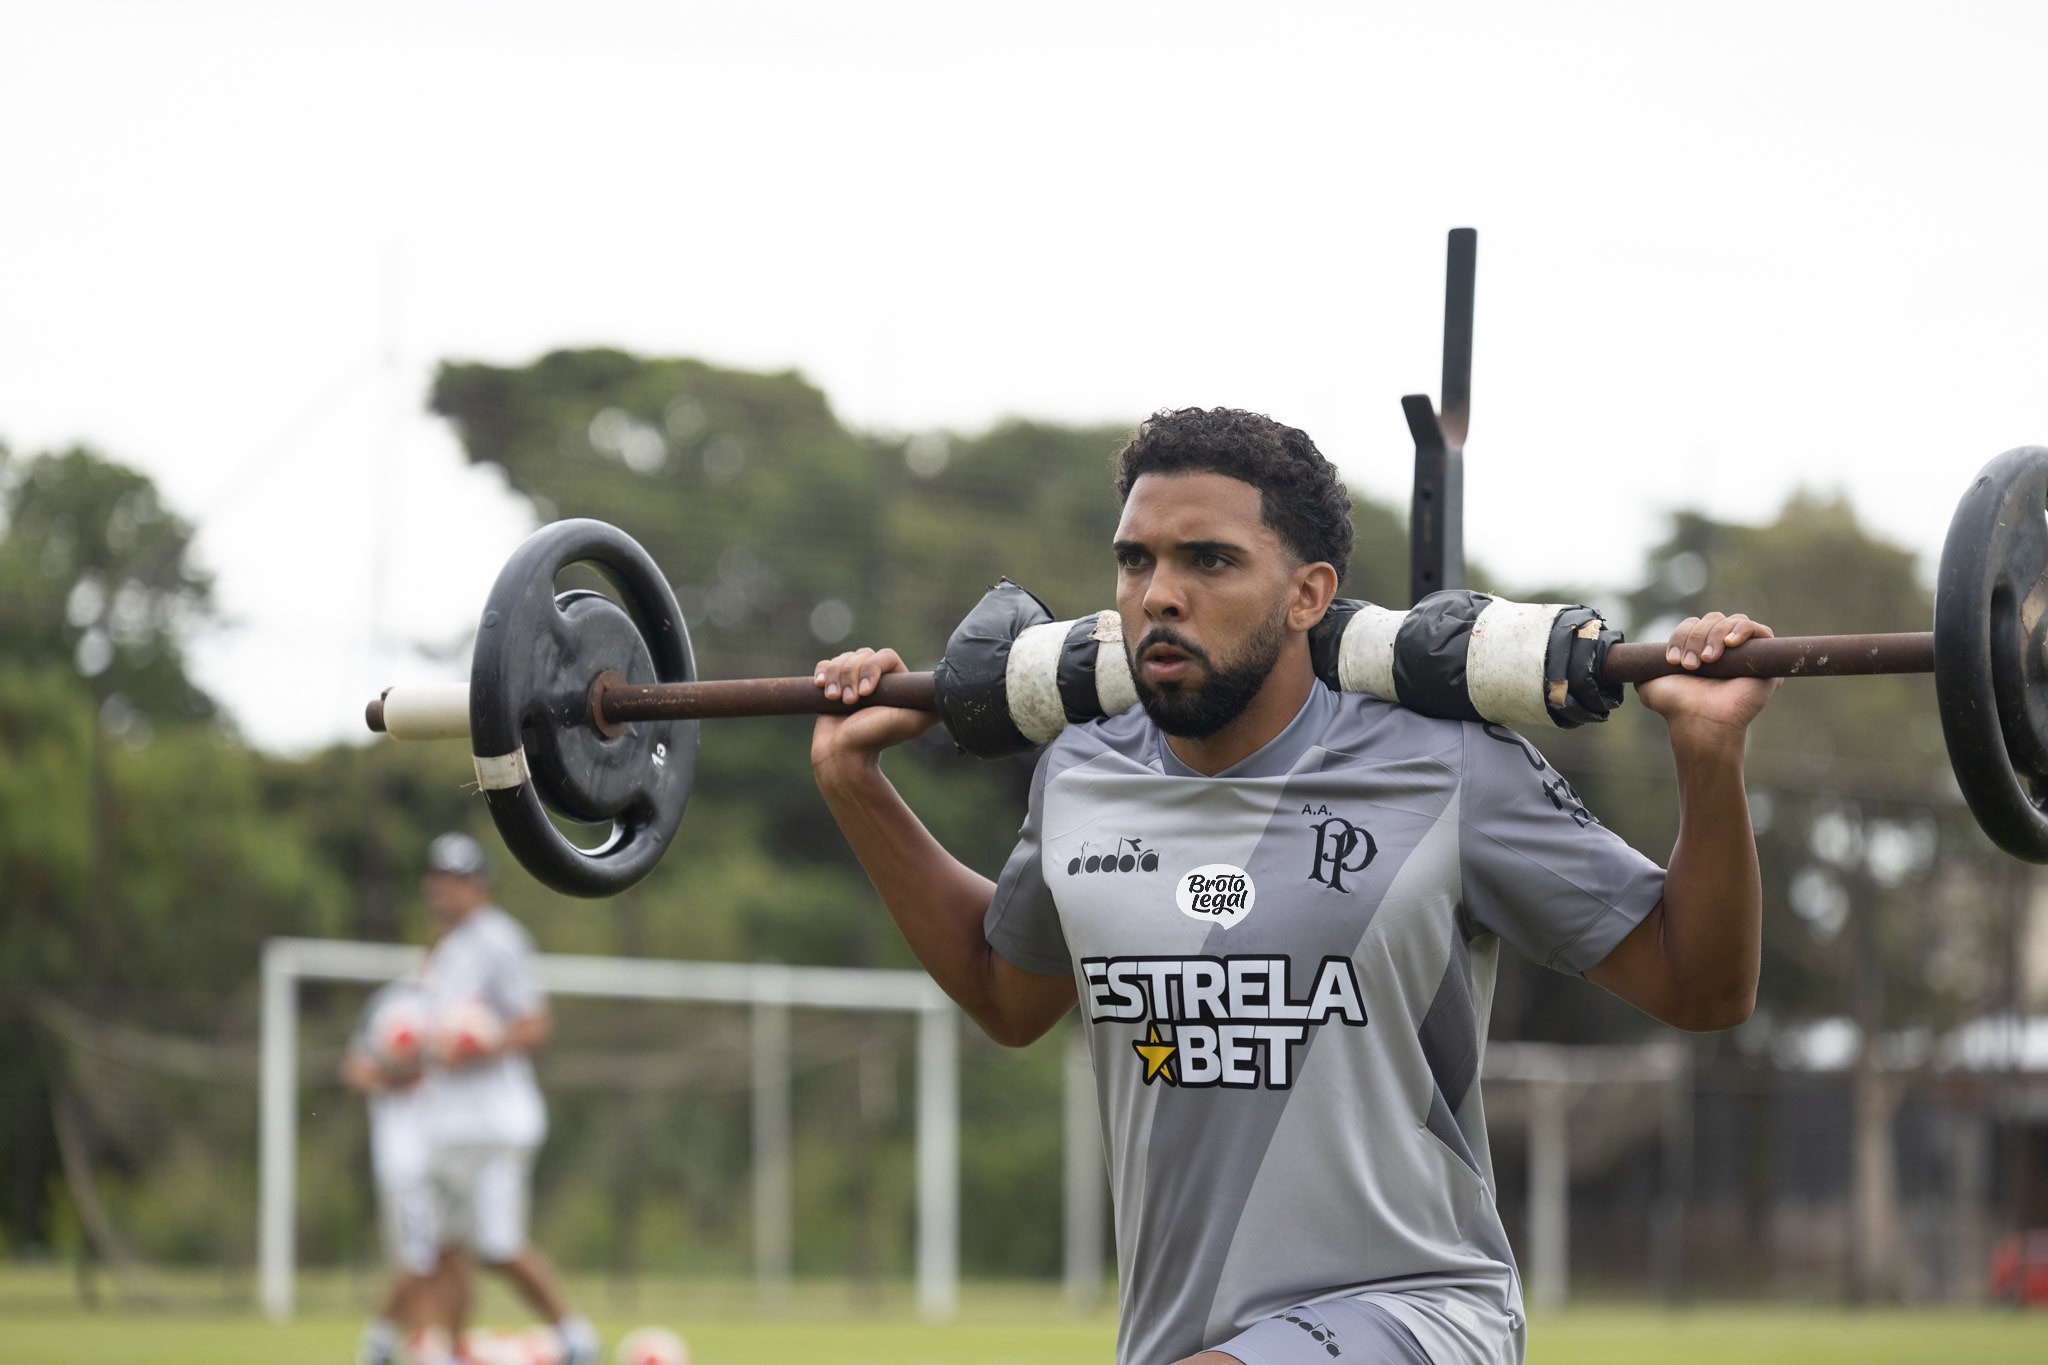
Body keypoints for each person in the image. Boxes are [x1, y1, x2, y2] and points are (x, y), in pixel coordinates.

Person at [809, 407, 1777, 1365]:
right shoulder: (1079, 778)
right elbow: (1003, 992)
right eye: (1136, 560)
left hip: (1421, 1317)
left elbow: (1700, 985)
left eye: (1208, 561)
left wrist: (1705, 755)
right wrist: (855, 788)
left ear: (1308, 594)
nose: (1158, 596)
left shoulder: (1445, 770)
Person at [416, 831, 599, 1365]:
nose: (445, 890)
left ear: (481, 886)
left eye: (458, 879)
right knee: (446, 1250)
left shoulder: (499, 940)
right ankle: (452, 1353)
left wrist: (480, 1044)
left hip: (495, 1124)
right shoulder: (443, 950)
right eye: (440, 878)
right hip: (447, 1122)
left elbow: (534, 1024)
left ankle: (574, 1337)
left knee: (497, 1247)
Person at [343, 968, 446, 1365]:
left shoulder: (463, 1004)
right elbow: (355, 1071)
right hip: (405, 1157)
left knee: (445, 1255)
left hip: (452, 1151)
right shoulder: (393, 1003)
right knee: (418, 1256)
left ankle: (421, 1343)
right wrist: (398, 1073)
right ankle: (384, 1342)